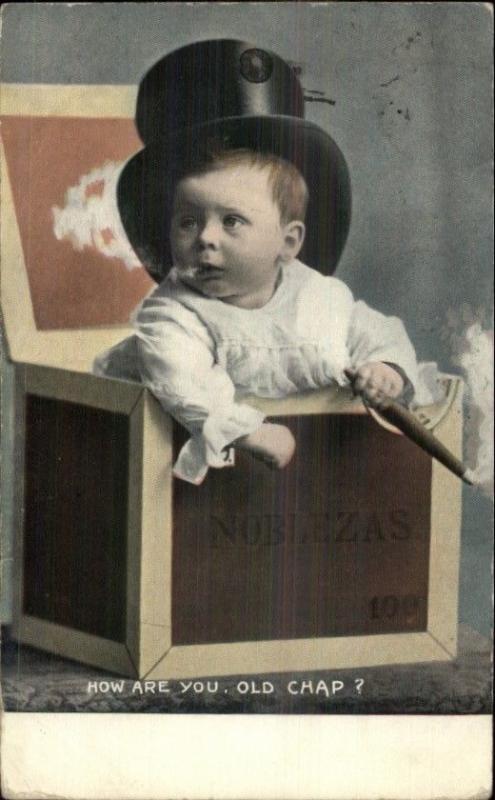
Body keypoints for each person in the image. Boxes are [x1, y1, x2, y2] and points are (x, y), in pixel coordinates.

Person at [93, 40, 428, 484]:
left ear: (288, 242)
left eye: (232, 221)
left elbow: (380, 333)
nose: (206, 238)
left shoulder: (319, 295)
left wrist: (386, 371)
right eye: (188, 222)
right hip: (173, 465)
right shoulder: (173, 313)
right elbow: (179, 379)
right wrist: (246, 430)